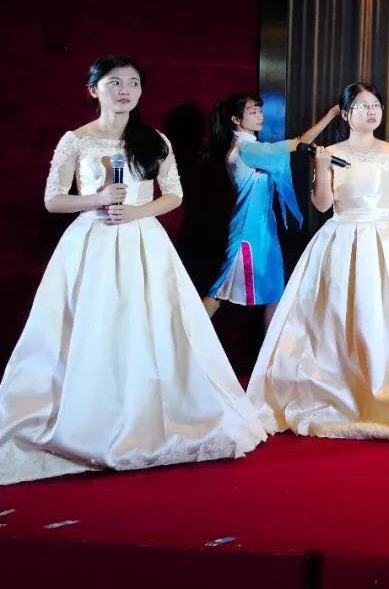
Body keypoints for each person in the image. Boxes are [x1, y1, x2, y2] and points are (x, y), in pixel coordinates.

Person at [0, 56, 265, 484]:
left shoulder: (154, 140)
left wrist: (137, 211)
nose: (125, 90)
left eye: (134, 83)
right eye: (115, 82)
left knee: (149, 323)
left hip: (143, 240)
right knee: (94, 324)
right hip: (93, 240)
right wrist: (97, 199)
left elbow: (174, 195)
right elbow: (53, 200)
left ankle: (149, 413)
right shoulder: (76, 140)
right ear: (94, 89)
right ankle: (90, 416)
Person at [246, 82, 389, 440]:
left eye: (375, 105)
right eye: (362, 106)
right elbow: (323, 205)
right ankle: (337, 392)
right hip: (341, 239)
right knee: (336, 318)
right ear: (344, 114)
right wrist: (321, 167)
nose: (371, 111)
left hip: (383, 240)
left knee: (384, 317)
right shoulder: (330, 153)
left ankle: (384, 394)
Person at [202, 94, 340, 326]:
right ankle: (185, 339)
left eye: (260, 110)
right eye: (252, 111)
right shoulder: (247, 150)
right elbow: (300, 142)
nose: (260, 115)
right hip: (248, 230)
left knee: (276, 293)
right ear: (236, 119)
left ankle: (272, 348)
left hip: (263, 228)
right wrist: (331, 115)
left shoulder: (247, 147)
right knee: (220, 291)